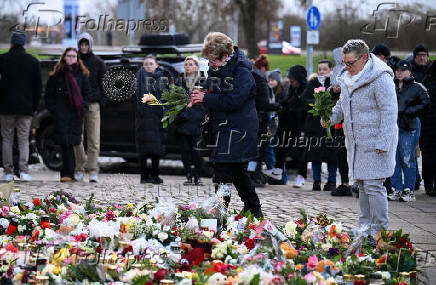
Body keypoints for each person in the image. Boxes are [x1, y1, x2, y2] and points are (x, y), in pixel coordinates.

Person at [323, 39, 398, 241]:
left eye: (350, 63)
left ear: (364, 58)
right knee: (363, 186)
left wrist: (384, 142)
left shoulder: (380, 78)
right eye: (344, 63)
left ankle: (381, 232)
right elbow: (342, 104)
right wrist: (330, 118)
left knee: (375, 186)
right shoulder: (348, 77)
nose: (346, 67)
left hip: (376, 142)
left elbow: (390, 111)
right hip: (356, 143)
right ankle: (365, 228)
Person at [191, 32, 263, 218]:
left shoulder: (242, 71)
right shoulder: (218, 68)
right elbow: (213, 88)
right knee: (238, 172)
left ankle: (218, 214)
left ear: (225, 56)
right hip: (224, 126)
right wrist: (200, 93)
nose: (210, 64)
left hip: (239, 128)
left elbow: (234, 100)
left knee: (224, 170)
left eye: (213, 60)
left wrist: (206, 98)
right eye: (208, 61)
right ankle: (253, 210)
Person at [0, 31, 42, 182]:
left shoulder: (3, 59)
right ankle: (24, 170)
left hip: (6, 107)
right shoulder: (32, 61)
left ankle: (8, 171)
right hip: (26, 108)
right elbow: (38, 88)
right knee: (24, 139)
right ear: (23, 43)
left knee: (7, 139)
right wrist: (33, 106)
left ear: (11, 43)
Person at [45, 47, 91, 182]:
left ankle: (70, 173)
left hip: (76, 115)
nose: (71, 58)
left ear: (77, 59)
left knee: (72, 144)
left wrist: (83, 108)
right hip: (61, 114)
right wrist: (54, 110)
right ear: (64, 57)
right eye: (69, 56)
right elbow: (49, 95)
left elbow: (87, 94)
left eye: (74, 56)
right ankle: (66, 174)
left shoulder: (82, 75)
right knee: (64, 144)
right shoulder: (57, 75)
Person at [387, 60, 429, 202]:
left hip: (409, 125)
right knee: (394, 158)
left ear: (409, 72)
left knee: (407, 158)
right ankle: (396, 188)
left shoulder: (418, 87)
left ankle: (409, 189)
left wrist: (408, 112)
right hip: (392, 125)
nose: (399, 72)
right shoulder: (390, 85)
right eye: (398, 70)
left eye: (403, 70)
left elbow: (425, 103)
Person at [74, 32, 107, 183]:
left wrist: (101, 100)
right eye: (81, 44)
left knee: (93, 140)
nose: (84, 47)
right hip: (76, 105)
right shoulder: (74, 62)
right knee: (77, 139)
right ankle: (79, 168)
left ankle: (93, 170)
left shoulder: (98, 63)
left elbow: (104, 84)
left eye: (86, 44)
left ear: (90, 45)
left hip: (93, 105)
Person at [302, 60, 339, 192]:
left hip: (330, 125)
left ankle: (332, 181)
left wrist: (327, 104)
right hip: (314, 126)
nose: (322, 72)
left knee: (332, 155)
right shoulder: (313, 82)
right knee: (315, 155)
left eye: (324, 69)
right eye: (320, 69)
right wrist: (318, 103)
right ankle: (316, 181)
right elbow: (305, 99)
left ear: (330, 70)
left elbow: (338, 99)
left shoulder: (334, 83)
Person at [249, 55, 282, 187]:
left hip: (256, 119)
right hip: (260, 120)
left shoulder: (254, 79)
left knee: (257, 151)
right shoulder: (261, 82)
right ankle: (253, 175)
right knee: (258, 151)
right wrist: (278, 107)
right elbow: (264, 103)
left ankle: (253, 173)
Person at [175, 55, 206, 186]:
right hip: (183, 120)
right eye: (186, 64)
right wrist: (183, 105)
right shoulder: (179, 81)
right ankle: (188, 174)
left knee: (197, 150)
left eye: (191, 64)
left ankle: (198, 175)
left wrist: (198, 106)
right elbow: (173, 100)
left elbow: (207, 101)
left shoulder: (203, 82)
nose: (188, 67)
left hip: (198, 120)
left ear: (197, 67)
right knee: (185, 150)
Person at [135, 55, 167, 184]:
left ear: (156, 65)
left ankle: (155, 174)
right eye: (146, 64)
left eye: (151, 64)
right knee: (143, 149)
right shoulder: (138, 79)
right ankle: (143, 175)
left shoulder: (161, 79)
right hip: (142, 118)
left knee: (156, 149)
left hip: (156, 118)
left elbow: (165, 97)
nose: (148, 66)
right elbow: (136, 97)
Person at [275, 65, 308, 187]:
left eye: (293, 80)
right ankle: (278, 172)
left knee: (301, 151)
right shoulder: (292, 90)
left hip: (302, 125)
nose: (291, 83)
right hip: (289, 124)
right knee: (282, 148)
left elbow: (304, 106)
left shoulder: (306, 90)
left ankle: (301, 176)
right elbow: (286, 103)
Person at [422, 61, 436, 196]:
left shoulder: (426, 83)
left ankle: (428, 184)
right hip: (429, 125)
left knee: (429, 158)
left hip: (427, 125)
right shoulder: (428, 84)